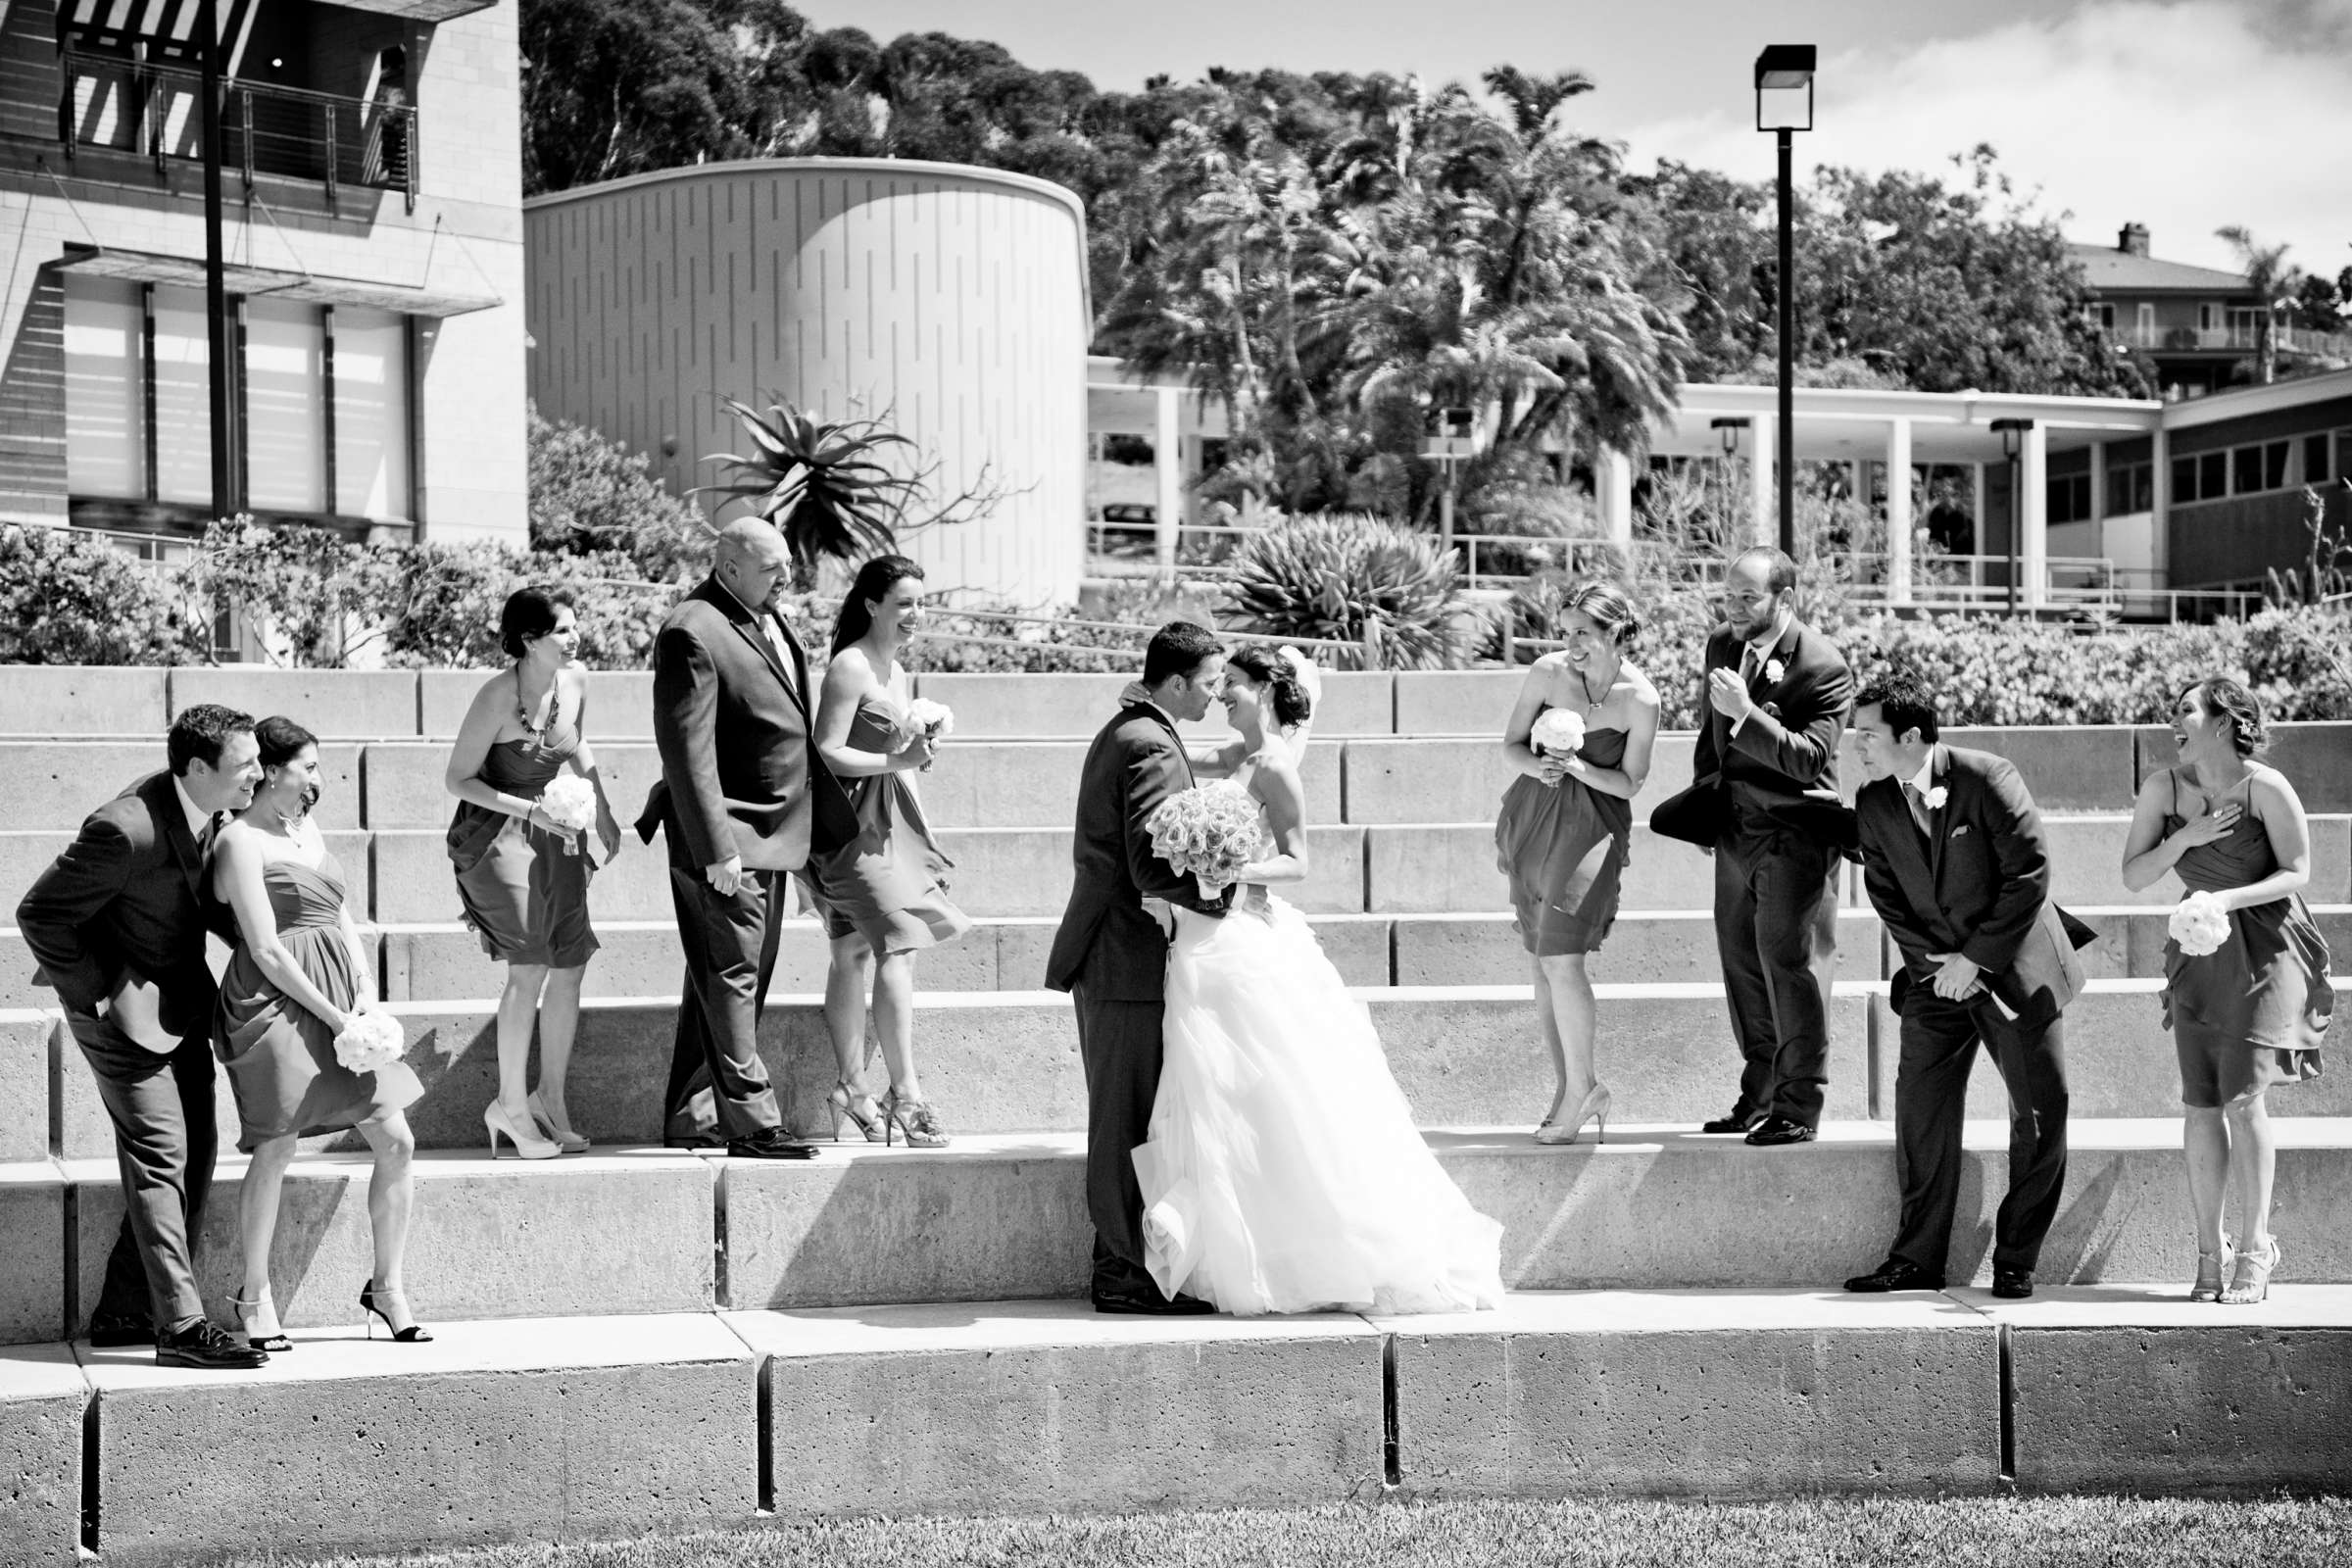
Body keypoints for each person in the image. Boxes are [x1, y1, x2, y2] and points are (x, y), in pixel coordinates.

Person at [1132, 645, 1505, 1316]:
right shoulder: (1226, 756)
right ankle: (1225, 1233)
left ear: (1269, 693)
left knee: (1265, 1088)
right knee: (1209, 1087)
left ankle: (1303, 1244)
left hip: (1243, 935)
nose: (1225, 697)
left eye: (1236, 688)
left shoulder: (1275, 764)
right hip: (1198, 939)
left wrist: (1228, 869)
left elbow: (1299, 861)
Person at [16, 705, 268, 1369]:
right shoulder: (122, 828)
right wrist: (97, 991)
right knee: (161, 1151)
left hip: (179, 1000)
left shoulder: (215, 810)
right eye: (246, 766)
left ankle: (126, 1307)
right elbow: (39, 915)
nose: (257, 776)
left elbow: (207, 902)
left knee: (200, 1151)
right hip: (117, 1009)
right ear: (196, 768)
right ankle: (180, 1327)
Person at [1841, 670, 2089, 1301]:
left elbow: (2029, 874)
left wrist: (1974, 961)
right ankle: (1916, 1258)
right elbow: (1887, 895)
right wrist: (1937, 967)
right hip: (1933, 977)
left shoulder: (1988, 777)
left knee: (2037, 1113)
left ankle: (2016, 1258)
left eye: (1868, 734)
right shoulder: (1873, 802)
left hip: (2014, 968)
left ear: (1913, 735)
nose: (1856, 744)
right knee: (1920, 1110)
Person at [637, 517, 856, 1159]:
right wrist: (716, 850)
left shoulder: (766, 614)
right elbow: (686, 749)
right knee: (733, 976)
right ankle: (754, 1125)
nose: (785, 577)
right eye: (770, 568)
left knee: (730, 978)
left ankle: (693, 1114)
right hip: (728, 839)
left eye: (786, 564)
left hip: (775, 832)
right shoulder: (691, 629)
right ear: (728, 566)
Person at [213, 717, 430, 1346]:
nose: (319, 777)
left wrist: (362, 988)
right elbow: (266, 948)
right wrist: (335, 1018)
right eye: (308, 765)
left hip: (339, 993)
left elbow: (339, 913)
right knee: (277, 1146)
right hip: (274, 1000)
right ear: (271, 771)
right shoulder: (240, 841)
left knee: (398, 1142)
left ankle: (386, 1288)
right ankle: (254, 1297)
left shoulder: (304, 825)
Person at [1045, 622, 1236, 1314]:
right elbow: (1149, 864)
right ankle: (1124, 1275)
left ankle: (1131, 1263)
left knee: (1129, 1114)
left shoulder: (1137, 726)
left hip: (1117, 954)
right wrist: (1225, 888)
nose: (1218, 695)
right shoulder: (1148, 743)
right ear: (1177, 682)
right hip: (1124, 955)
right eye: (1210, 683)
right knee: (1122, 1121)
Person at [2121, 679, 2330, 1305]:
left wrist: (2226, 898)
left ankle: (2257, 1247)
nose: (2173, 722)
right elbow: (2134, 876)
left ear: (2225, 720)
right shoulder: (2164, 789)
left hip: (2265, 950)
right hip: (2199, 952)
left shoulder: (2266, 787)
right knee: (2201, 1101)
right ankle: (2210, 1253)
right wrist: (2185, 840)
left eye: (2185, 711)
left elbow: (2299, 872)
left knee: (2244, 1100)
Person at [1655, 547, 1854, 1147]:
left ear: (1784, 600)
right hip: (1734, 830)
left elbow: (1809, 759)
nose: (1735, 609)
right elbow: (1707, 731)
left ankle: (1799, 1106)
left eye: (1749, 598)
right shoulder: (1723, 643)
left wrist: (1746, 714)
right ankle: (1760, 1091)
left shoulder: (1824, 666)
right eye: (1729, 596)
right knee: (1741, 962)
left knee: (1791, 967)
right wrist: (1703, 805)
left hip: (1795, 836)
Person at [445, 588, 623, 1160]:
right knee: (530, 965)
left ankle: (550, 1099)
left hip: (558, 829)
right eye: (563, 631)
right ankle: (510, 1106)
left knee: (569, 965)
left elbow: (577, 744)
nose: (576, 637)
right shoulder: (496, 696)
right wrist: (531, 811)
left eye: (576, 626)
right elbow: (458, 779)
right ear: (528, 639)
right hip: (497, 831)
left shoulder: (577, 682)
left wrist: (604, 808)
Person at [808, 555, 969, 1149]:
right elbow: (826, 752)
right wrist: (897, 758)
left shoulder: (897, 670)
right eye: (904, 603)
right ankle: (909, 1096)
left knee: (851, 951)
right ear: (872, 604)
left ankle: (852, 1087)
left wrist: (915, 751)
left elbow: (895, 753)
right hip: (851, 829)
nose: (915, 615)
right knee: (899, 944)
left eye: (920, 603)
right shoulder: (849, 666)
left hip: (892, 822)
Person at [1494, 579, 1661, 1146]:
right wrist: (1539, 765)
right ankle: (1568, 1090)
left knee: (1562, 958)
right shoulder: (1546, 673)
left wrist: (1577, 767)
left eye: (1584, 633)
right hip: (1535, 820)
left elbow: (1632, 782)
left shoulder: (1642, 699)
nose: (1573, 645)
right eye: (1566, 633)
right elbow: (1512, 745)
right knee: (1542, 963)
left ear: (1617, 633)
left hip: (1592, 833)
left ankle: (1585, 1088)